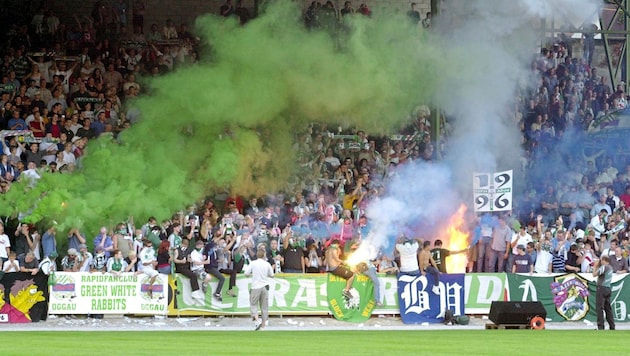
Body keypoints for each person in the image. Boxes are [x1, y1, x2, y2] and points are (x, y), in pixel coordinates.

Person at [244, 248, 274, 331]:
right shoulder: (267, 264)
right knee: (264, 306)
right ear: (264, 255)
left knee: (253, 304)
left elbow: (246, 273)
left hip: (255, 286)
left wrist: (252, 274)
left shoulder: (253, 263)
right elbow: (272, 275)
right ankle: (263, 326)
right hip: (264, 286)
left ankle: (257, 320)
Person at [173, 238, 205, 303]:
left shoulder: (188, 250)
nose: (185, 247)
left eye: (186, 246)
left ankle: (196, 291)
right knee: (193, 276)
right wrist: (181, 261)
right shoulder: (177, 250)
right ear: (181, 244)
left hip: (187, 267)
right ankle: (195, 291)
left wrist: (190, 260)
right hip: (180, 267)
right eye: (184, 245)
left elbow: (189, 258)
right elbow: (175, 259)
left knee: (195, 274)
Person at [593, 255, 615, 330]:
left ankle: (601, 326)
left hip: (601, 288)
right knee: (608, 308)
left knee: (599, 308)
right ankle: (612, 326)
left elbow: (594, 274)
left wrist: (595, 266)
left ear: (604, 261)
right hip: (608, 288)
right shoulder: (611, 268)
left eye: (601, 260)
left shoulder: (604, 267)